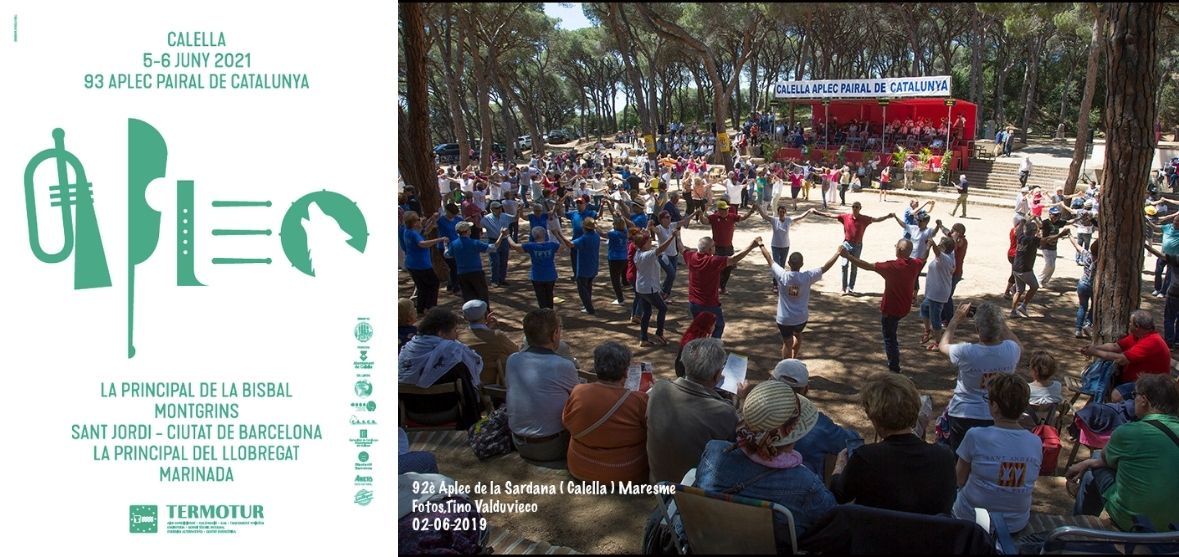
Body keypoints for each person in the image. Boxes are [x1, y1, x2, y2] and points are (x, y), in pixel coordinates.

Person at [693, 380, 835, 545]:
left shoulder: (714, 451)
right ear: (793, 432)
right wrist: (837, 473)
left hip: (711, 544)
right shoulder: (805, 483)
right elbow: (831, 515)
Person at [830, 372, 956, 515]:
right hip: (931, 529)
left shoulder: (865, 458)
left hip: (878, 529)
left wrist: (838, 468)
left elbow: (840, 495)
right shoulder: (944, 457)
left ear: (873, 416)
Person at [1067, 374, 1179, 531]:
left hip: (1136, 522)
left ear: (1144, 400)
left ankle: (1080, 526)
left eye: (1134, 395)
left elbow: (1104, 458)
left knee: (1095, 463)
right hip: (1174, 527)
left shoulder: (1130, 432)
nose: (1133, 400)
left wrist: (1087, 463)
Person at [952, 374, 1042, 533]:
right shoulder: (1035, 442)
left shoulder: (975, 435)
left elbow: (959, 479)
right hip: (1015, 523)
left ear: (994, 406)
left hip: (972, 519)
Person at [647, 338, 739, 483]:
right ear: (717, 375)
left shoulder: (659, 389)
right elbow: (736, 447)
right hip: (692, 489)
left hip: (658, 482)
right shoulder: (724, 411)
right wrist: (740, 401)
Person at [940, 302, 1023, 452]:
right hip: (998, 414)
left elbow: (943, 345)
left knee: (959, 457)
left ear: (978, 329)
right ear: (999, 328)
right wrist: (1000, 322)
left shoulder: (966, 351)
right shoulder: (1011, 350)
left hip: (964, 413)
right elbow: (1018, 343)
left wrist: (955, 319)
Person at [562, 341, 650, 483]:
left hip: (579, 466)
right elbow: (651, 430)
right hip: (624, 472)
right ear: (625, 372)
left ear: (596, 367)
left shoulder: (578, 392)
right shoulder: (638, 400)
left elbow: (566, 421)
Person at [505, 309, 580, 463]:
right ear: (555, 334)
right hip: (552, 445)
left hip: (519, 442)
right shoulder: (562, 365)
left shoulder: (513, 360)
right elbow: (579, 399)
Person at [840, 239, 925, 374]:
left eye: (896, 246)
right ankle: (894, 365)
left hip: (891, 310)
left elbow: (867, 265)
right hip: (904, 308)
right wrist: (929, 246)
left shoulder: (891, 267)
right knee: (892, 334)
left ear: (899, 250)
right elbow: (924, 258)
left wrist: (848, 256)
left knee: (890, 339)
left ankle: (894, 368)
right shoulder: (915, 264)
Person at [772, 359, 864, 478]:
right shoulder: (818, 423)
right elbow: (852, 441)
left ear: (770, 382)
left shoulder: (754, 416)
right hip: (806, 485)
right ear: (806, 389)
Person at [398, 307, 484, 429]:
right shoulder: (454, 354)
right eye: (454, 330)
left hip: (411, 412)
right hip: (446, 412)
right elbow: (471, 389)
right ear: (440, 333)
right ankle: (473, 427)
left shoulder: (406, 351)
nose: (456, 335)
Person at [760, 244, 841, 359]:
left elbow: (769, 259)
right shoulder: (807, 277)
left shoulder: (782, 275)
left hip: (784, 319)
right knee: (798, 335)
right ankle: (794, 357)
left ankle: (786, 365)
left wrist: (760, 245)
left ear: (788, 263)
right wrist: (838, 253)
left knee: (787, 343)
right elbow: (825, 268)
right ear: (802, 264)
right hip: (801, 318)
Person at [682, 236, 761, 339]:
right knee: (719, 326)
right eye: (713, 246)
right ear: (710, 250)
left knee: (700, 328)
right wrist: (751, 246)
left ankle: (699, 345)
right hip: (709, 304)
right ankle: (712, 346)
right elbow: (733, 259)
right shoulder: (713, 261)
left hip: (693, 303)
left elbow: (681, 248)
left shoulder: (690, 256)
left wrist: (676, 236)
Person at [1079, 310, 1171, 394]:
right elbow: (1116, 346)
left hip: (1152, 386)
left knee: (1116, 394)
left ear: (1137, 326)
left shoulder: (1151, 341)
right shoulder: (1138, 336)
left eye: (1130, 322)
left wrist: (1094, 352)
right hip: (1137, 381)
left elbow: (1121, 359)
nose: (1129, 324)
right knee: (1102, 380)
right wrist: (1095, 348)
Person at [811, 202, 895, 296]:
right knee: (844, 265)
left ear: (860, 208)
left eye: (857, 207)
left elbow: (877, 219)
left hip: (857, 245)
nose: (855, 208)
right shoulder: (845, 217)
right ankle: (843, 288)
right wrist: (817, 213)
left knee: (854, 267)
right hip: (846, 243)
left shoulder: (864, 219)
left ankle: (850, 288)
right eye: (853, 207)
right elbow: (830, 215)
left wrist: (887, 216)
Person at [693, 200, 756, 294]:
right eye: (724, 209)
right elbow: (704, 221)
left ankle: (723, 287)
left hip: (728, 247)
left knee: (728, 268)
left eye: (727, 209)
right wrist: (701, 215)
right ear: (719, 210)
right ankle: (716, 286)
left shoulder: (731, 216)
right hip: (717, 248)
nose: (726, 211)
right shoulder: (714, 217)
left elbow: (742, 218)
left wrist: (751, 211)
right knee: (717, 268)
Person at [633, 227, 679, 347]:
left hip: (641, 288)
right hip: (649, 289)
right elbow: (661, 248)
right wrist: (672, 236)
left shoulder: (638, 253)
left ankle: (643, 338)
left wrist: (645, 233)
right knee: (663, 308)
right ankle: (659, 333)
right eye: (648, 241)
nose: (651, 242)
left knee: (647, 312)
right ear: (643, 244)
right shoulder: (647, 255)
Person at [458, 300, 518, 386]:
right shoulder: (497, 336)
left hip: (469, 385)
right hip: (495, 385)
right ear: (486, 315)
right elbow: (516, 352)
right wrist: (489, 330)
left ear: (465, 317)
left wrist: (487, 329)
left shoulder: (458, 338)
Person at [755, 204, 813, 292]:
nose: (781, 213)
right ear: (778, 213)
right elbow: (764, 216)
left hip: (785, 246)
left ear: (785, 213)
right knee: (776, 265)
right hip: (775, 246)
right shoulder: (774, 220)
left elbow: (800, 217)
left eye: (783, 212)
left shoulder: (788, 220)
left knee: (782, 266)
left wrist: (808, 211)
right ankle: (775, 284)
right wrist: (758, 207)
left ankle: (780, 283)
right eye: (780, 212)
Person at [504, 226, 561, 309]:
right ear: (545, 234)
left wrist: (507, 235)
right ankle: (550, 313)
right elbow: (563, 246)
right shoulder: (552, 245)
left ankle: (543, 313)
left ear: (533, 236)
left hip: (537, 276)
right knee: (549, 295)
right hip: (550, 275)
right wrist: (557, 234)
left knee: (541, 298)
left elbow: (514, 246)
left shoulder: (531, 246)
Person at [401, 211, 447, 314]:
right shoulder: (413, 233)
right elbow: (422, 244)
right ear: (413, 222)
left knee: (422, 287)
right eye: (418, 219)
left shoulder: (408, 231)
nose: (420, 220)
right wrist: (439, 239)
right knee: (433, 284)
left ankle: (421, 308)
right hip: (421, 265)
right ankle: (430, 307)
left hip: (412, 264)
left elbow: (425, 231)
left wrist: (433, 219)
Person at [919, 237, 957, 350]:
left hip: (938, 294)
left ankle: (938, 343)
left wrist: (932, 244)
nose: (939, 245)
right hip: (933, 292)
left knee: (935, 318)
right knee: (924, 308)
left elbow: (936, 251)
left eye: (941, 244)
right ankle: (928, 331)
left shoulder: (945, 258)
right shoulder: (948, 256)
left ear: (944, 248)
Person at [444, 222, 492, 305]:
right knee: (482, 295)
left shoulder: (453, 244)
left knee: (468, 296)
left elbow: (447, 255)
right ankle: (485, 311)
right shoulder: (474, 242)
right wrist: (502, 236)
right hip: (476, 273)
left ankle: (470, 312)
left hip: (462, 274)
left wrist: (445, 246)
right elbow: (492, 248)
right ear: (468, 231)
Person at [1010, 219, 1040, 318]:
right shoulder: (1033, 240)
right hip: (1025, 270)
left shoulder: (1021, 237)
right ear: (1033, 231)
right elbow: (1046, 240)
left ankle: (1013, 311)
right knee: (1034, 286)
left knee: (1019, 291)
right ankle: (1023, 306)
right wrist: (1059, 235)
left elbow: (1018, 229)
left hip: (1016, 268)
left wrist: (1024, 221)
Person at [1070, 235, 1098, 338]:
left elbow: (1077, 246)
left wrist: (1070, 236)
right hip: (1094, 286)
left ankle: (1078, 329)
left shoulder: (1087, 255)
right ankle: (1088, 324)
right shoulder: (1103, 260)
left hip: (1082, 284)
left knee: (1082, 307)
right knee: (1094, 307)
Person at [481, 201, 514, 287]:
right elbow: (479, 225)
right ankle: (494, 280)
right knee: (495, 262)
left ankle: (502, 279)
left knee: (504, 261)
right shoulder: (486, 218)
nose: (499, 209)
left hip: (504, 241)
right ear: (492, 209)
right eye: (497, 208)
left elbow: (514, 218)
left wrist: (519, 211)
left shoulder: (505, 216)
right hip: (493, 241)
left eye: (500, 207)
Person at [674, 312, 716, 378]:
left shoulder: (691, 335)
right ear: (707, 325)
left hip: (681, 371)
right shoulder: (700, 343)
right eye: (713, 324)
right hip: (689, 376)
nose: (714, 327)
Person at [1037, 207, 1070, 287]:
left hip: (1054, 247)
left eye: (1058, 215)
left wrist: (1079, 218)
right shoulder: (1046, 222)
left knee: (1053, 267)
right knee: (1049, 264)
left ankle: (1045, 281)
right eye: (1054, 215)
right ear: (1050, 215)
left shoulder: (1058, 222)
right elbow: (1039, 225)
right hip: (1046, 246)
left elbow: (1069, 222)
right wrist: (1034, 218)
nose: (1056, 217)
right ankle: (1039, 279)